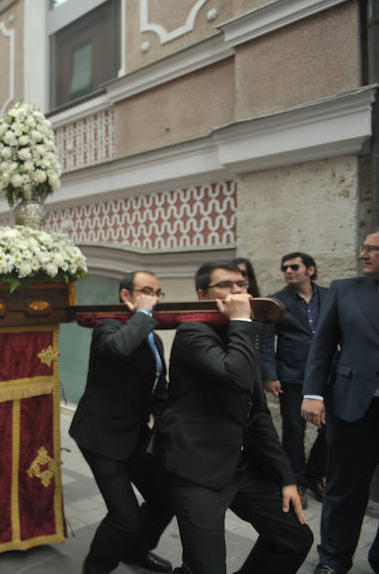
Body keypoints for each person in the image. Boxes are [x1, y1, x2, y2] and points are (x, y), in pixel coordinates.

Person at [155, 262, 312, 574]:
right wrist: (242, 319)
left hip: (240, 464)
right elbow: (235, 378)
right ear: (202, 294)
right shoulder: (193, 332)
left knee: (295, 538)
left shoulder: (241, 332)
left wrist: (287, 478)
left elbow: (257, 412)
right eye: (226, 285)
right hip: (196, 466)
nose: (238, 291)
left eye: (242, 284)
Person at [69, 271, 173, 574]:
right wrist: (142, 313)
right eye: (146, 291)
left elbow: (159, 386)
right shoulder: (107, 326)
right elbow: (119, 348)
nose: (154, 299)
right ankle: (96, 568)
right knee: (124, 517)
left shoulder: (151, 336)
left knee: (166, 498)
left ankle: (136, 551)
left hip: (135, 432)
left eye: (158, 292)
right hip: (99, 434)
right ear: (126, 295)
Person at [303, 230, 379, 574]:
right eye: (363, 248)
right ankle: (333, 559)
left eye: (372, 249)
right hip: (352, 405)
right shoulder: (344, 290)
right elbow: (321, 347)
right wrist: (313, 394)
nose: (363, 254)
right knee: (344, 487)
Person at [261, 252, 328, 508]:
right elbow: (267, 342)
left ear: (310, 270)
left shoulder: (330, 295)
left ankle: (315, 474)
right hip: (292, 377)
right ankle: (297, 482)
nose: (288, 271)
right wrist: (270, 375)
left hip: (327, 375)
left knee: (331, 429)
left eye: (294, 266)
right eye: (284, 267)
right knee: (294, 432)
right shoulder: (277, 301)